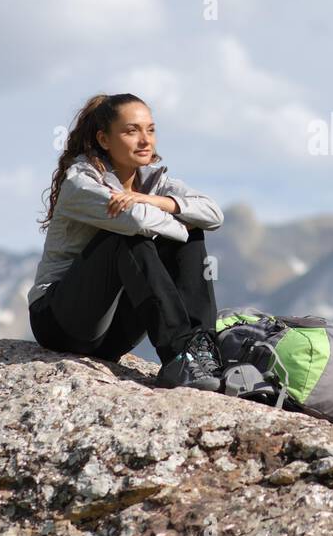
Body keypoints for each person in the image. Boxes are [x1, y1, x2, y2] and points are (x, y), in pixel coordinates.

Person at [27, 92, 227, 390]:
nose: (145, 140)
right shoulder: (81, 183)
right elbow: (136, 221)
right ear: (104, 140)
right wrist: (176, 216)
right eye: (132, 131)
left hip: (112, 337)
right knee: (127, 238)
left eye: (151, 129)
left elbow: (214, 214)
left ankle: (199, 353)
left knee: (192, 230)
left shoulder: (155, 182)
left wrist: (152, 200)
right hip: (60, 323)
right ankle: (178, 356)